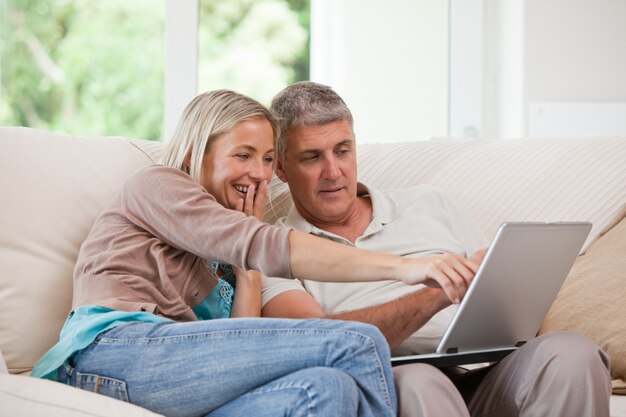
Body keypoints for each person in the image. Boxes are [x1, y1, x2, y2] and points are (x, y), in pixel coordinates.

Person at [30, 90, 475, 417]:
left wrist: (248, 269)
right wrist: (408, 268)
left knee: (324, 389)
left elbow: (237, 338)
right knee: (357, 342)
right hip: (110, 352)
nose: (259, 174)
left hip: (179, 378)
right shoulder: (159, 185)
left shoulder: (225, 249)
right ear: (192, 152)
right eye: (244, 155)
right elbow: (268, 246)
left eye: (266, 159)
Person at [261, 81, 612, 417]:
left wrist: (500, 285)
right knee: (420, 380)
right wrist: (436, 294)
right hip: (389, 383)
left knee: (572, 353)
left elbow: (510, 312)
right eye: (312, 157)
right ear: (281, 167)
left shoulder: (430, 202)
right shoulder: (272, 249)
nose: (333, 171)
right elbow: (317, 344)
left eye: (342, 151)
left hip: (478, 375)